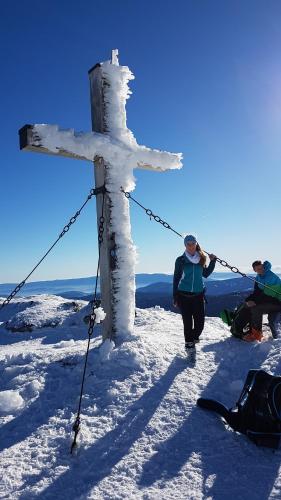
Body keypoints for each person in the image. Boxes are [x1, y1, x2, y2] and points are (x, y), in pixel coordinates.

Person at [173, 234, 216, 352]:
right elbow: (176, 278)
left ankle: (193, 337)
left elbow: (205, 274)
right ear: (185, 245)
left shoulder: (201, 258)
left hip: (198, 295)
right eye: (188, 244)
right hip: (183, 295)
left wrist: (212, 262)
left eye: (193, 243)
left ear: (196, 244)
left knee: (200, 324)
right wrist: (175, 296)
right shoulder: (180, 260)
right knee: (187, 322)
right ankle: (189, 344)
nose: (191, 246)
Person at [243, 260, 281, 342]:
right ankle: (251, 330)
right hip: (270, 301)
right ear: (254, 270)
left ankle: (257, 335)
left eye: (261, 268)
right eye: (258, 269)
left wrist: (255, 302)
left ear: (263, 266)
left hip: (277, 302)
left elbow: (269, 295)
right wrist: (248, 300)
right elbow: (257, 292)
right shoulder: (258, 277)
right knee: (247, 305)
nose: (260, 270)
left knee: (256, 308)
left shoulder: (271, 277)